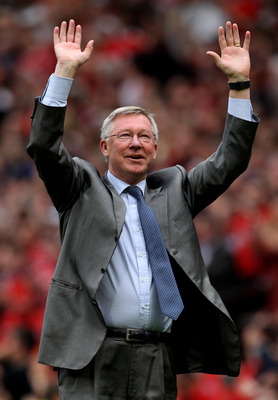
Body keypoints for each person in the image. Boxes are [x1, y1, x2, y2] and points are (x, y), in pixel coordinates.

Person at [27, 19, 259, 400]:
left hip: (158, 356)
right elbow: (43, 148)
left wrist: (239, 85)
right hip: (93, 358)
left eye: (145, 137)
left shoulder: (176, 188)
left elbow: (230, 160)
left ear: (154, 149)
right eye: (125, 136)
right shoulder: (79, 187)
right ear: (104, 147)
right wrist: (64, 72)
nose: (136, 143)